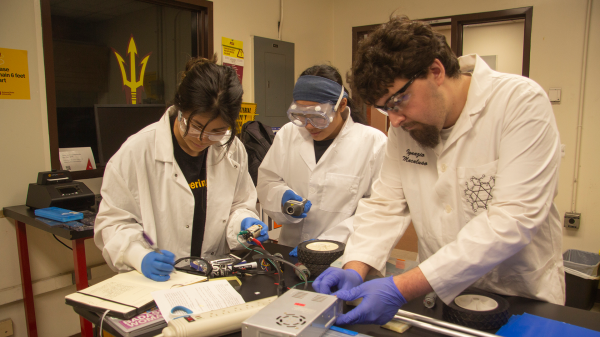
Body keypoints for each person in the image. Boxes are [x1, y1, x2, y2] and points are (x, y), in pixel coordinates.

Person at [313, 16, 565, 325]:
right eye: (385, 108)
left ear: (436, 71)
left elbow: (513, 218)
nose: (395, 120)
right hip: (440, 295)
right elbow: (385, 204)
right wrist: (355, 266)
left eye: (398, 100)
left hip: (520, 296)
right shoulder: (405, 129)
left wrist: (401, 287)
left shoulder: (520, 103)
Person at [95, 57, 268, 281]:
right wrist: (138, 255)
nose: (203, 139)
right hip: (161, 281)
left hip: (215, 276)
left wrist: (244, 222)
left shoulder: (232, 149)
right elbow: (113, 223)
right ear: (179, 109)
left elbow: (238, 204)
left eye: (217, 131)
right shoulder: (136, 152)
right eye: (195, 126)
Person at [256, 65, 387, 251]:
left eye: (318, 117)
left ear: (341, 105)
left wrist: (326, 243)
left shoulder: (373, 143)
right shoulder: (288, 134)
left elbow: (378, 211)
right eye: (301, 116)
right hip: (290, 251)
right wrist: (281, 198)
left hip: (343, 256)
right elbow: (268, 181)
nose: (309, 126)